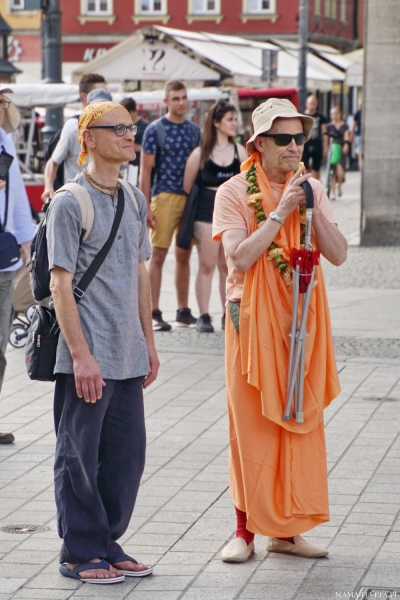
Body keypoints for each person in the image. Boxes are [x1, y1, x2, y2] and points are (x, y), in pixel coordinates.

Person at [212, 98, 347, 562]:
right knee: (251, 424)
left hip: (302, 315)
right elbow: (239, 258)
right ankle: (244, 532)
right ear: (258, 144)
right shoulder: (233, 191)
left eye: (299, 138)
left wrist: (310, 208)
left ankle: (287, 533)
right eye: (283, 138)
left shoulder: (312, 188)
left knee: (299, 422)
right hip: (249, 314)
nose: (294, 146)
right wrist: (280, 210)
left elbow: (339, 254)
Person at [46, 100, 160, 583]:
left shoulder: (134, 199)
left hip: (128, 353)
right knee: (79, 456)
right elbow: (59, 284)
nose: (130, 136)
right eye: (118, 129)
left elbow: (140, 272)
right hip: (87, 355)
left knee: (126, 459)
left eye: (131, 128)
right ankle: (79, 551)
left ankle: (107, 541)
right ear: (88, 138)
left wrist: (148, 342)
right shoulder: (70, 202)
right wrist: (80, 356)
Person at [140, 80, 201, 332]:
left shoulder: (194, 131)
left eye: (184, 97)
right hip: (164, 196)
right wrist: (146, 206)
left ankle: (183, 310)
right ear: (166, 101)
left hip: (190, 197)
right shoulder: (155, 130)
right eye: (176, 98)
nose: (181, 102)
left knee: (184, 254)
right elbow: (145, 171)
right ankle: (153, 311)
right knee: (158, 255)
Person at [183, 101, 247, 333]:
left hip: (232, 214)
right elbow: (188, 186)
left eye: (235, 119)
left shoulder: (240, 152)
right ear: (217, 122)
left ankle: (227, 313)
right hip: (206, 212)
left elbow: (249, 183)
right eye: (230, 119)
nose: (234, 123)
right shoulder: (200, 154)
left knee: (227, 266)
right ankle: (203, 315)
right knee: (207, 264)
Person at [0, 88, 35, 444]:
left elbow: (18, 197)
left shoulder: (5, 142)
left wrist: (27, 242)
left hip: (3, 256)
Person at [41, 73, 107, 202]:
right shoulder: (72, 127)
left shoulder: (110, 127)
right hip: (76, 199)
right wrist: (49, 187)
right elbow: (53, 161)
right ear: (84, 97)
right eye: (99, 93)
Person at [119, 97, 149, 185]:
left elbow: (149, 148)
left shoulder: (145, 126)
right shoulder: (121, 126)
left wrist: (136, 147)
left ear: (134, 111)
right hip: (125, 166)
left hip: (139, 166)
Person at [301, 95, 328, 181]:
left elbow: (325, 132)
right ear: (306, 104)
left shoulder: (321, 117)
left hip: (317, 144)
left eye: (314, 104)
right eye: (310, 103)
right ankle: (307, 183)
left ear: (317, 104)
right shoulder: (302, 116)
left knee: (316, 168)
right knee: (304, 166)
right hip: (305, 144)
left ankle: (315, 184)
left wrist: (326, 146)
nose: (312, 106)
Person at [327, 105, 351, 201]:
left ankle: (339, 186)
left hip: (341, 149)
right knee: (332, 172)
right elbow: (327, 139)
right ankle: (333, 193)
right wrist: (326, 149)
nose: (334, 115)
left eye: (336, 113)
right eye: (332, 114)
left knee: (340, 173)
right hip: (332, 150)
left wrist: (346, 145)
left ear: (340, 114)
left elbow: (346, 136)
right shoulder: (329, 126)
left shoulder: (345, 126)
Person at [351, 97, 362, 171]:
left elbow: (353, 125)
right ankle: (361, 170)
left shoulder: (358, 112)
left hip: (359, 135)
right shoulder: (358, 112)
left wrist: (352, 135)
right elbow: (353, 125)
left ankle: (361, 171)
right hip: (359, 135)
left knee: (360, 155)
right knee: (360, 154)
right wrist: (352, 135)